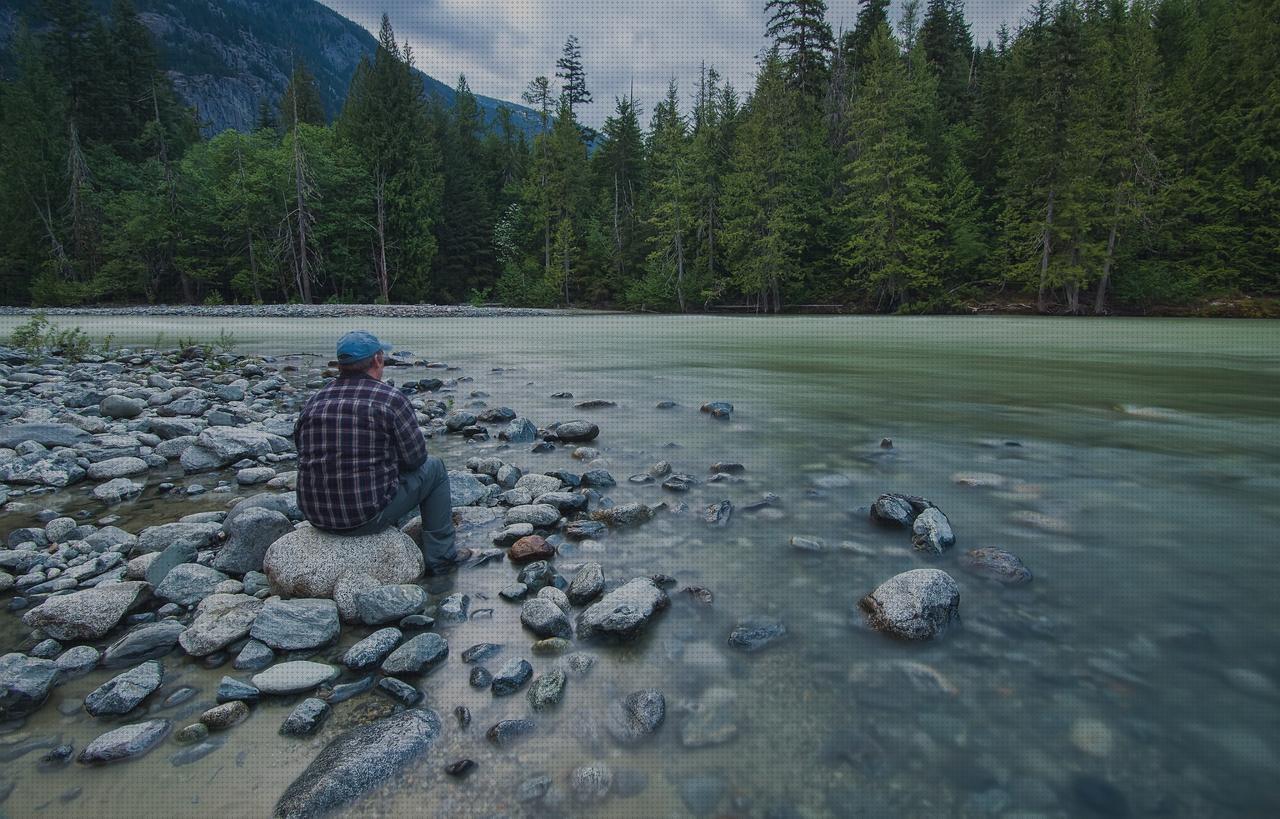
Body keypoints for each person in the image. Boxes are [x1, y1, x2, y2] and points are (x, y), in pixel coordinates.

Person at [293, 330, 467, 575]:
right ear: (378, 359)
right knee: (435, 469)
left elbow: (303, 451)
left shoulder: (315, 400)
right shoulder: (389, 399)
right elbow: (416, 459)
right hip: (363, 518)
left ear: (341, 364)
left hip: (316, 515)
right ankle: (441, 560)